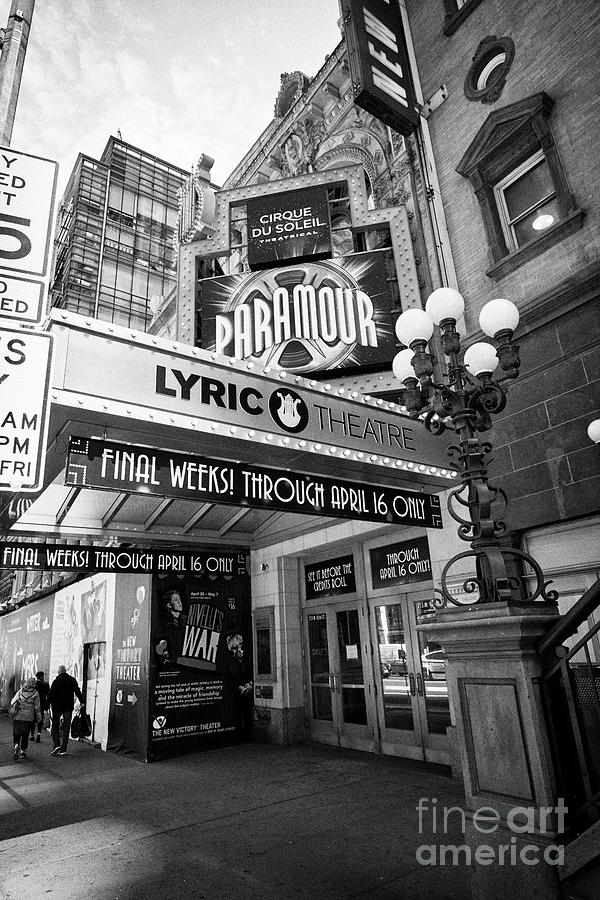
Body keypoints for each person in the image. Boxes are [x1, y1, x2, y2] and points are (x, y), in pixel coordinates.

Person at [48, 665, 84, 756]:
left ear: (59, 672)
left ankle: (56, 744)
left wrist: (46, 706)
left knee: (55, 726)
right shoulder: (72, 680)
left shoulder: (56, 681)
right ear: (65, 671)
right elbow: (77, 691)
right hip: (68, 706)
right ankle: (63, 749)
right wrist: (82, 701)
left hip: (57, 707)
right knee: (66, 727)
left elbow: (51, 695)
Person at [223, 631, 253, 741]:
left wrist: (250, 684)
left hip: (248, 688)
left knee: (248, 712)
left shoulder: (247, 655)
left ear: (239, 642)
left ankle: (249, 735)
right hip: (236, 690)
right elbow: (227, 677)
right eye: (228, 643)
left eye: (231, 642)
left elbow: (252, 670)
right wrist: (239, 687)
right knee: (238, 713)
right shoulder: (228, 658)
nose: (229, 644)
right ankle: (239, 736)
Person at [10, 676, 41, 760]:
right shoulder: (35, 693)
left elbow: (13, 701)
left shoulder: (20, 691)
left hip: (18, 715)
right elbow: (37, 707)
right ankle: (23, 751)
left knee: (16, 733)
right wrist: (39, 717)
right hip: (28, 716)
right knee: (25, 734)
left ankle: (16, 745)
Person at [155, 589, 187, 665]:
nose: (180, 602)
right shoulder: (163, 622)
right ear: (169, 605)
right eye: (176, 600)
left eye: (180, 599)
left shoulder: (187, 619)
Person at [29, 670, 50, 743]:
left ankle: (32, 735)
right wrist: (47, 706)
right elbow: (49, 696)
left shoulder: (34, 684)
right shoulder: (46, 684)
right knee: (40, 719)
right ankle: (38, 734)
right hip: (42, 704)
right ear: (42, 676)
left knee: (32, 719)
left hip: (34, 704)